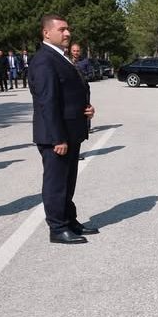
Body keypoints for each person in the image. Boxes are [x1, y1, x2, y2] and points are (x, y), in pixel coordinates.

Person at [29, 14, 98, 244]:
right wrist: (57, 137)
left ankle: (69, 219)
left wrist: (84, 109)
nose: (67, 33)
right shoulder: (44, 60)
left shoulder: (62, 57)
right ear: (46, 33)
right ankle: (57, 228)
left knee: (68, 181)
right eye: (62, 29)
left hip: (71, 130)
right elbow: (47, 101)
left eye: (68, 29)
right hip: (56, 135)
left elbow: (69, 92)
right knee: (56, 182)